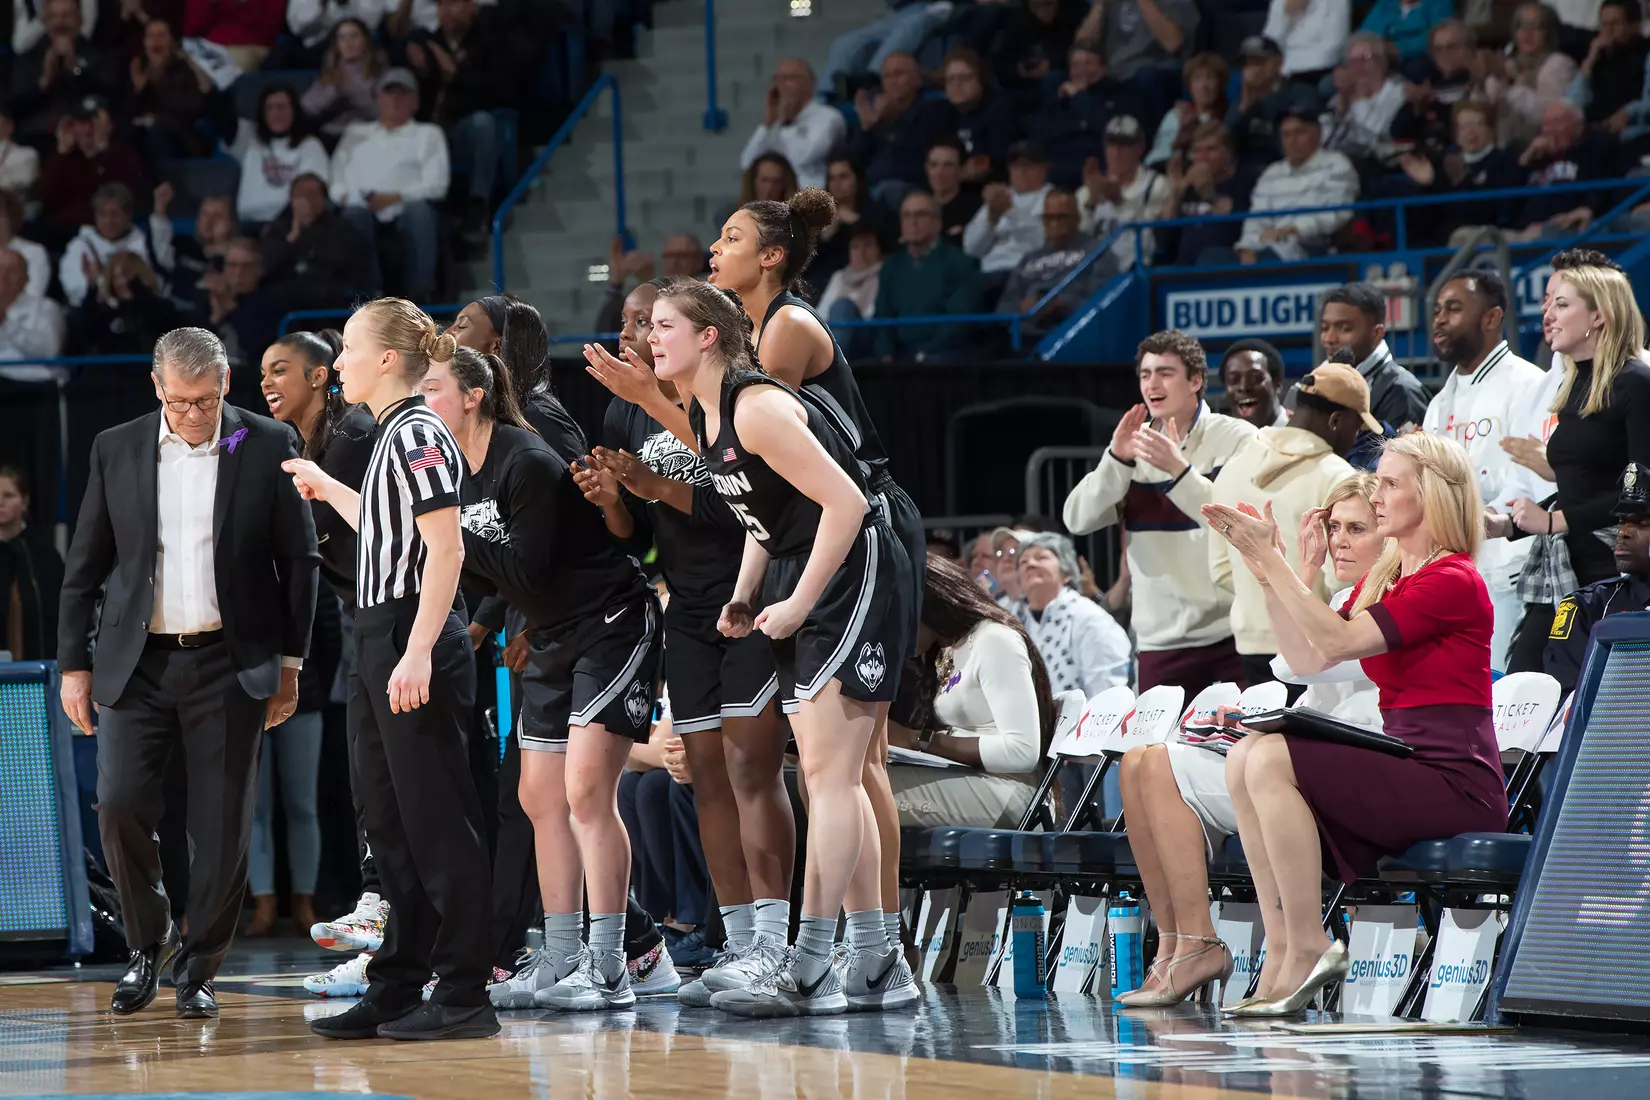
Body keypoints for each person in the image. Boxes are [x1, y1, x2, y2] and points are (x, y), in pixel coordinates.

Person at [663, 280, 918, 1017]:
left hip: (852, 567)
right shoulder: (705, 410)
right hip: (805, 567)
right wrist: (745, 594)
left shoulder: (758, 404)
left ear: (709, 336)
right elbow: (761, 514)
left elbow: (848, 502)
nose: (651, 338)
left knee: (829, 775)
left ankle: (808, 965)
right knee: (828, 776)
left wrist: (797, 601)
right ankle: (876, 960)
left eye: (665, 326)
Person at [58, 327, 319, 1020]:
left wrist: (290, 663)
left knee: (224, 824)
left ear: (226, 384)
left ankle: (200, 968)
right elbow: (83, 566)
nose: (194, 415)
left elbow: (299, 563)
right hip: (134, 662)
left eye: (206, 401)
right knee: (117, 805)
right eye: (180, 402)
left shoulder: (265, 442)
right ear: (157, 388)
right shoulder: (116, 446)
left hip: (229, 661)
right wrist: (72, 668)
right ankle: (149, 943)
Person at [1203, 432, 1506, 1016]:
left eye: (1392, 483)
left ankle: (1310, 941)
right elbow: (1310, 657)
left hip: (1455, 779)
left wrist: (1272, 558)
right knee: (1245, 755)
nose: (1379, 493)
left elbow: (1337, 638)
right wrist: (1268, 574)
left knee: (1269, 756)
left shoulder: (1452, 580)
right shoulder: (1393, 580)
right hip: (1408, 762)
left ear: (1434, 494)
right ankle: (1285, 950)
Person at [425, 344, 664, 1013]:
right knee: (539, 798)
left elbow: (524, 570)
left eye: (433, 389)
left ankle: (613, 964)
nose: (422, 404)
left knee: (587, 793)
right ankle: (560, 958)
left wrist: (447, 534)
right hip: (554, 637)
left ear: (472, 394)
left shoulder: (523, 459)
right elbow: (480, 575)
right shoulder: (458, 471)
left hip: (613, 622)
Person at [284, 299, 497, 1041]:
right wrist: (326, 486)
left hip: (413, 632)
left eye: (347, 349)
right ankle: (398, 983)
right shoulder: (386, 438)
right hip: (375, 633)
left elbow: (448, 550)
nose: (337, 363)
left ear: (384, 360)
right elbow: (388, 531)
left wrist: (415, 652)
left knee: (438, 822)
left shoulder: (417, 432)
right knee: (389, 823)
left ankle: (465, 992)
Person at [579, 278, 787, 1008]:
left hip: (751, 590)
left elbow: (743, 497)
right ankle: (736, 943)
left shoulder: (728, 398)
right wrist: (614, 500)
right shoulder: (625, 411)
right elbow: (637, 539)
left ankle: (778, 940)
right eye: (633, 321)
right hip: (688, 603)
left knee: (749, 765)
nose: (639, 334)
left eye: (653, 321)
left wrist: (651, 474)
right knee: (700, 769)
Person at [1117, 472, 1385, 1008]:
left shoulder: (1390, 597)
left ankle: (1213, 945)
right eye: (1334, 527)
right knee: (1141, 762)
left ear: (1391, 530)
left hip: (1351, 771)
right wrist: (1294, 572)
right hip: (1302, 757)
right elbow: (1292, 663)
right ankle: (1179, 940)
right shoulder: (1342, 596)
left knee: (1174, 765)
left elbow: (1309, 665)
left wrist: (1277, 568)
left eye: (1357, 527)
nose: (1339, 541)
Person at [1063, 329, 1256, 695]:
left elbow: (1237, 522)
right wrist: (1116, 459)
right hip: (1161, 642)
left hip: (1233, 633)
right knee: (1157, 752)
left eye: (1165, 373)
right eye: (1145, 374)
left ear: (1195, 381)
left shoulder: (1237, 438)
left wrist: (1178, 472)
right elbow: (1078, 519)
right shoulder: (1132, 449)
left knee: (1241, 749)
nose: (1153, 383)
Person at [247, 335, 363, 940]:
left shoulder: (349, 438)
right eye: (262, 371)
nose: (267, 382)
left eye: (281, 370)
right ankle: (264, 902)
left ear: (321, 376)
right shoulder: (276, 444)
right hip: (259, 661)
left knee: (328, 799)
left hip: (375, 630)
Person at [1490, 263, 1650, 671]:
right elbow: (1583, 483)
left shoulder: (1635, 382)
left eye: (1562, 305)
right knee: (1521, 686)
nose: (1548, 315)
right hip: (1562, 567)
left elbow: (1641, 489)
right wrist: (1512, 526)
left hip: (1615, 569)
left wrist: (1555, 520)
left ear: (1598, 316)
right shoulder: (1575, 384)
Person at [1208, 363, 1366, 687]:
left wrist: (1263, 595)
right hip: (1320, 647)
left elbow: (1220, 570)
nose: (1357, 437)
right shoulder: (1339, 477)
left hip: (1250, 643)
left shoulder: (1232, 469)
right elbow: (1341, 581)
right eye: (1358, 426)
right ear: (1337, 420)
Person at [1422, 271, 1547, 668]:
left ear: (1492, 318)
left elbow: (1537, 479)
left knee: (1502, 690)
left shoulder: (1529, 384)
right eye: (1438, 309)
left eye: (1454, 309)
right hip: (1452, 570)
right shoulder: (1439, 402)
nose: (1439, 319)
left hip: (1509, 573)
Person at [886, 555, 1057, 828]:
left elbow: (1022, 752)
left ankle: (879, 873)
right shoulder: (948, 649)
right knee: (835, 779)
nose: (889, 633)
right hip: (973, 778)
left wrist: (920, 740)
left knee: (859, 784)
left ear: (925, 603)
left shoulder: (994, 639)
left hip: (1011, 793)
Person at [329, 68, 450, 301]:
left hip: (406, 208)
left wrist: (395, 197)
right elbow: (336, 175)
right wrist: (344, 195)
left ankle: (421, 298)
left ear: (415, 102)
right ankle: (367, 301)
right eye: (389, 93)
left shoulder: (428, 134)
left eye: (402, 94)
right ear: (377, 99)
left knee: (419, 212)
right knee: (353, 214)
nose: (395, 99)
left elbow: (437, 184)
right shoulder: (355, 132)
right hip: (361, 206)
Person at [1544, 462, 1650, 695]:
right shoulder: (1588, 607)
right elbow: (1570, 699)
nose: (1623, 532)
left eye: (1642, 522)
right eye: (1623, 521)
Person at [1235, 102, 1359, 263]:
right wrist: (1246, 247)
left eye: (1299, 132)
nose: (1292, 140)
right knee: (1214, 258)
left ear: (1318, 134)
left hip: (1313, 245)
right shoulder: (1272, 173)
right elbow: (1256, 219)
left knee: (1267, 258)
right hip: (1270, 245)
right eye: (1286, 134)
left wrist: (1293, 229)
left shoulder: (1336, 164)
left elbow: (1338, 213)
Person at [1014, 531, 1132, 694]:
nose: (1030, 564)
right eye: (1023, 561)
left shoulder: (1089, 618)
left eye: (1041, 557)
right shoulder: (1014, 621)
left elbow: (1106, 691)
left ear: (1067, 572)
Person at [873, 191, 981, 361]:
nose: (913, 222)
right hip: (900, 354)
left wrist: (925, 353)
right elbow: (882, 316)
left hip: (943, 354)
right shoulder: (892, 265)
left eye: (920, 215)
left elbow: (959, 321)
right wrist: (885, 353)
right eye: (907, 216)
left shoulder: (960, 263)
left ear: (937, 223)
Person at [1316, 282, 1431, 439]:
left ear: (1376, 333)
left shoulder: (1403, 392)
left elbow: (1399, 461)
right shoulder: (1316, 382)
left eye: (1344, 328)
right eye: (1324, 328)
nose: (1329, 338)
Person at [995, 188, 1108, 338]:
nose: (1054, 224)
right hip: (1026, 337)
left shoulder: (1097, 252)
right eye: (1048, 218)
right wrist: (1021, 308)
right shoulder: (1029, 259)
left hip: (1074, 335)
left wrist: (1063, 306)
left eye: (1060, 217)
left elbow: (1105, 301)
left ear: (1077, 219)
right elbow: (1003, 309)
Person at [848, 51, 950, 206]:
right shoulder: (876, 115)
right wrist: (867, 127)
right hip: (872, 191)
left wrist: (897, 119)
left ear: (916, 80)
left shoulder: (933, 110)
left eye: (899, 74)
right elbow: (853, 162)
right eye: (887, 77)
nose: (893, 81)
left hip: (912, 189)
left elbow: (915, 156)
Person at [1076, 114, 1170, 267]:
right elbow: (1078, 244)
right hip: (1095, 275)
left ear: (1140, 148)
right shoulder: (1086, 192)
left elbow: (1147, 247)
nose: (1117, 152)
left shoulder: (1156, 186)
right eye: (1112, 144)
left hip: (1135, 272)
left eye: (1125, 145)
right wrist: (1091, 204)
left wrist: (1119, 202)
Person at [963, 140, 1054, 296]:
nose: (1021, 172)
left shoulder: (1053, 197)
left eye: (1027, 165)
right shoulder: (998, 197)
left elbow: (1043, 243)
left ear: (1044, 168)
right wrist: (991, 219)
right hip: (990, 276)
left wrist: (1009, 211)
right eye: (1016, 166)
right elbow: (971, 249)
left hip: (1029, 275)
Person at [741, 58, 846, 190]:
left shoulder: (829, 118)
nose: (782, 85)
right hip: (778, 200)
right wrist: (768, 122)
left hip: (810, 200)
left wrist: (788, 123)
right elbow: (747, 164)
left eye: (789, 79)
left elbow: (802, 159)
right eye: (778, 79)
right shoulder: (775, 122)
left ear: (809, 84)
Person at [1484, 2, 1578, 146]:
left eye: (1536, 26)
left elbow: (1545, 114)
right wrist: (1481, 82)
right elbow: (1486, 111)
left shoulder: (1559, 64)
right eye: (1522, 26)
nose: (1527, 33)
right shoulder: (1507, 64)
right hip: (1504, 150)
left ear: (1549, 32)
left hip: (1543, 148)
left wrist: (1508, 84)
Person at [236, 85, 331, 227]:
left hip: (288, 225)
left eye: (281, 107)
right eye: (270, 108)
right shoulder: (251, 143)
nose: (276, 113)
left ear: (294, 111)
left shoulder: (310, 145)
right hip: (247, 223)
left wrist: (277, 226)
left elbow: (310, 193)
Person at [122, 17, 211, 165]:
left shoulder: (183, 70)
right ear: (144, 43)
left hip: (180, 138)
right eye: (151, 36)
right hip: (143, 135)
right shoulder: (137, 70)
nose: (156, 41)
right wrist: (138, 91)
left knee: (155, 134)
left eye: (161, 35)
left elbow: (192, 110)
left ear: (172, 42)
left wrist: (157, 119)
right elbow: (124, 115)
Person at [0, 464, 64, 661]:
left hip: (36, 671)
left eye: (9, 495)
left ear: (25, 501)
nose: (0, 502)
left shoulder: (44, 555)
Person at [59, 181, 152, 309]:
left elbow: (149, 284)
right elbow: (74, 291)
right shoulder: (80, 245)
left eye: (114, 214)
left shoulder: (142, 244)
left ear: (128, 214)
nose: (108, 221)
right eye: (102, 214)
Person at [302, 18, 390, 143]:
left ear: (365, 40)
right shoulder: (332, 69)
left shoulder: (379, 67)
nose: (348, 42)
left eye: (354, 36)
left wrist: (352, 90)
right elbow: (307, 107)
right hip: (333, 134)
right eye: (342, 38)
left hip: (369, 134)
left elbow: (384, 111)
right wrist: (333, 92)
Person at [1565, 0, 1649, 127]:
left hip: (1632, 131)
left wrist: (1629, 111)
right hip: (1593, 131)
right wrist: (1589, 61)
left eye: (1615, 24)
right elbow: (1571, 103)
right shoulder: (1598, 56)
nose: (1608, 30)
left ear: (1635, 26)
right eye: (1604, 24)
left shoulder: (1646, 53)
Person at [1146, 52, 1229, 168]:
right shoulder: (1175, 115)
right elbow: (1155, 159)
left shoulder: (1229, 115)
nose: (1204, 85)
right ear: (1189, 86)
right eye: (1197, 78)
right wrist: (1180, 138)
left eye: (1210, 77)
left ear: (1220, 84)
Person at [0, 247, 67, 381]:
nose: (4, 275)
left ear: (27, 279)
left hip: (34, 387)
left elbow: (49, 352)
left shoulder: (46, 308)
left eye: (12, 270)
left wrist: (5, 322)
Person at [182, 0, 285, 71]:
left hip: (251, 46)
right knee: (177, 65)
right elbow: (192, 28)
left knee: (206, 69)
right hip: (207, 46)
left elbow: (270, 27)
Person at [1263, 0, 1351, 83]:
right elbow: (1271, 39)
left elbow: (1335, 45)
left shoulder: (1336, 2)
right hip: (1281, 70)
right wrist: (1287, 14)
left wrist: (1288, 65)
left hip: (1316, 71)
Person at [1221, 339, 1287, 429]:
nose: (1243, 387)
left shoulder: (1303, 434)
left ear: (1277, 384)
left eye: (1254, 378)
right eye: (1233, 380)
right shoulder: (1222, 439)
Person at [1358, 0, 1454, 62]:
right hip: (1381, 56)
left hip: (1420, 58)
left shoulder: (1439, 3)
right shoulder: (1385, 4)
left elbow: (1437, 35)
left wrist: (1398, 48)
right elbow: (1365, 34)